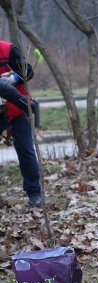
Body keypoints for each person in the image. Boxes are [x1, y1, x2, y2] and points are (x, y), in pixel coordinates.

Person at [0, 39, 42, 206]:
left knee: (25, 148)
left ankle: (34, 193)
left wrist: (14, 78)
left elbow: (28, 71)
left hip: (19, 108)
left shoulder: (7, 49)